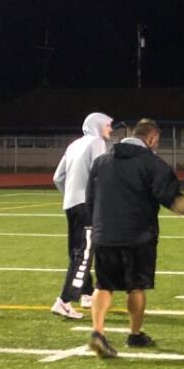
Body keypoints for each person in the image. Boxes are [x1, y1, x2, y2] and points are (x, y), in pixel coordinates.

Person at [85, 118, 184, 358]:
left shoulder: (101, 162)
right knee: (136, 286)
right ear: (152, 138)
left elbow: (90, 198)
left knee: (103, 285)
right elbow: (171, 198)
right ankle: (135, 334)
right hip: (138, 235)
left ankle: (97, 331)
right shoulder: (152, 164)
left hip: (104, 233)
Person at [51, 111, 112, 320]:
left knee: (77, 251)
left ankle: (86, 294)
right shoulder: (96, 143)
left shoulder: (74, 144)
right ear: (98, 125)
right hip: (87, 205)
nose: (110, 129)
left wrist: (70, 194)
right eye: (108, 125)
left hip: (71, 204)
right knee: (84, 253)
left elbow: (58, 177)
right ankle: (64, 301)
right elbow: (101, 173)